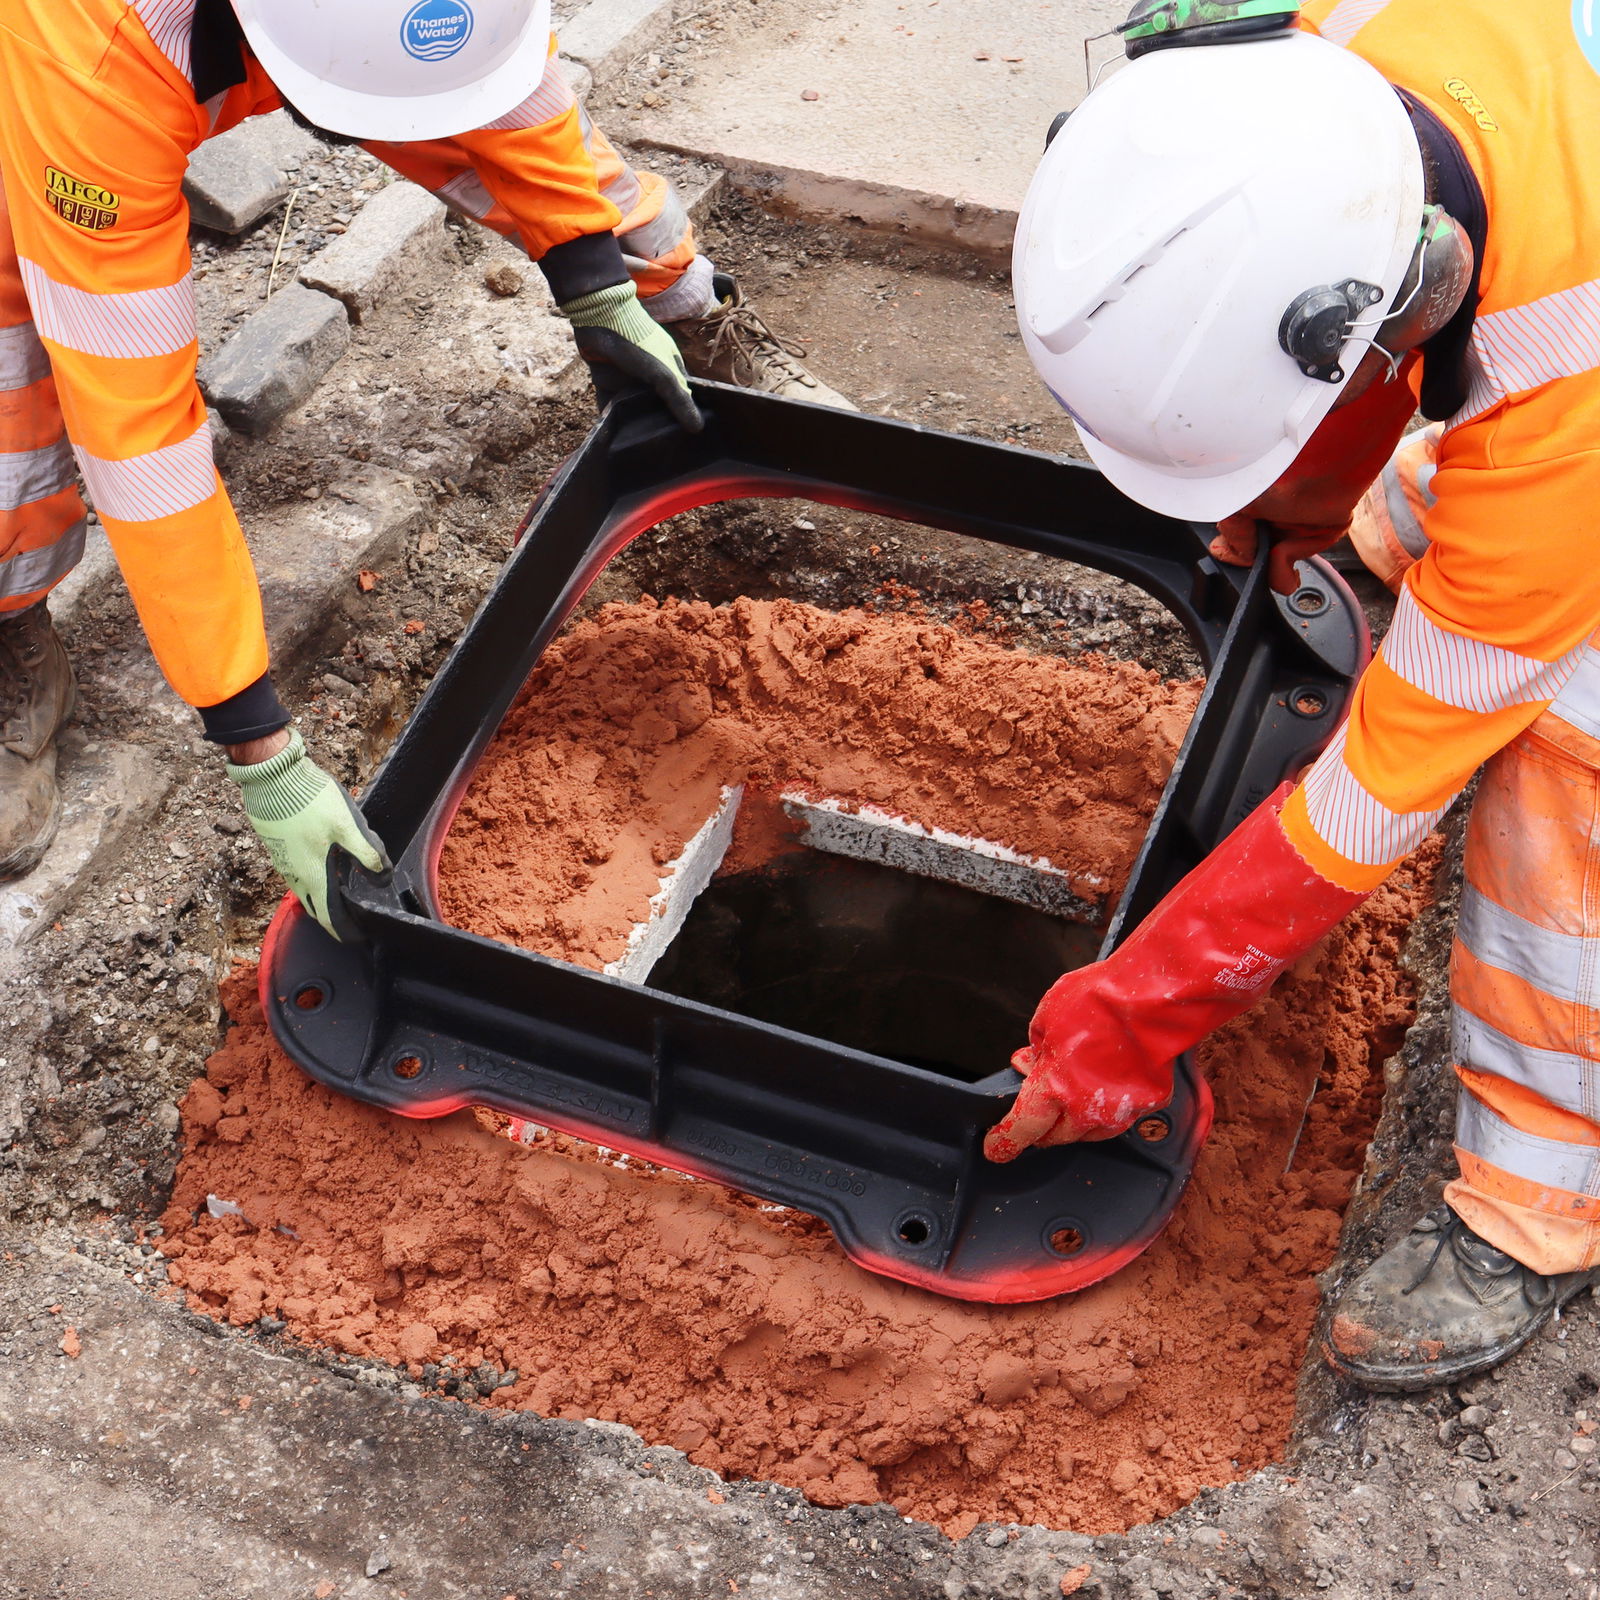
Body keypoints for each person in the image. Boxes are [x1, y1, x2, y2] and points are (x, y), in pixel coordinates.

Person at [993, 0, 1600, 1390]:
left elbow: (1383, 793)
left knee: (1562, 745)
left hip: (1577, 426)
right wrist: (1298, 488)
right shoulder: (1308, 55)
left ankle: (1545, 1196)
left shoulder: (1568, 391)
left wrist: (1132, 1014)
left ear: (1416, 309)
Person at [0, 0, 846, 905]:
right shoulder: (90, 78)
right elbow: (138, 434)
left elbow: (520, 101)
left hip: (312, 35)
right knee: (14, 321)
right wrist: (256, 741)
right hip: (72, 70)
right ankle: (12, 617)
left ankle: (690, 316)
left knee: (521, 136)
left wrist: (595, 282)